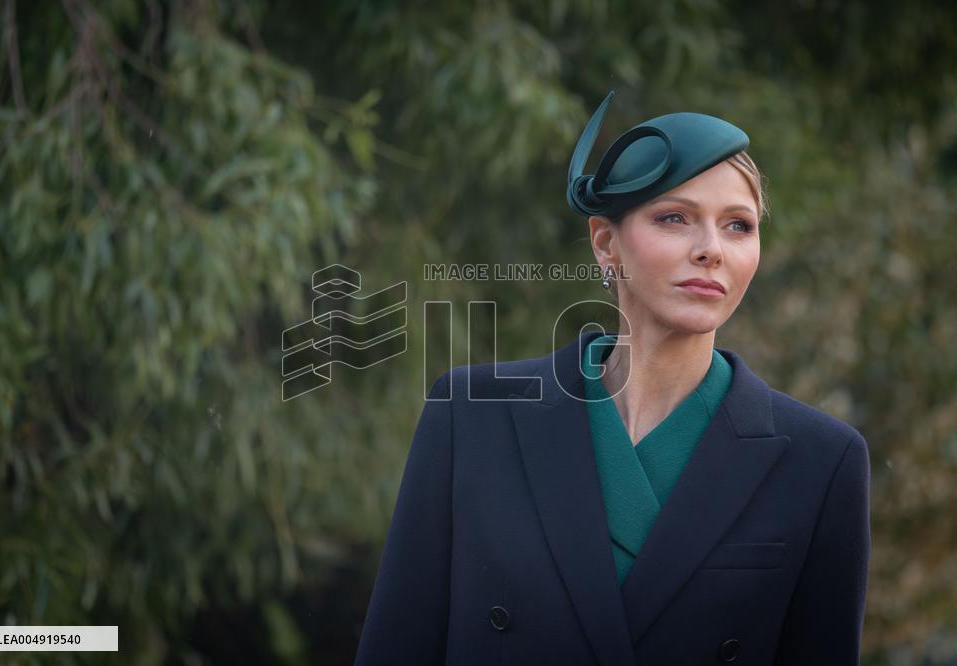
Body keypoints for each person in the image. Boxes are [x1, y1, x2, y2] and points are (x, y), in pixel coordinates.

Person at [354, 91, 871, 665]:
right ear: (605, 242)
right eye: (675, 218)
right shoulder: (471, 416)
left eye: (738, 226)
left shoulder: (822, 461)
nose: (711, 250)